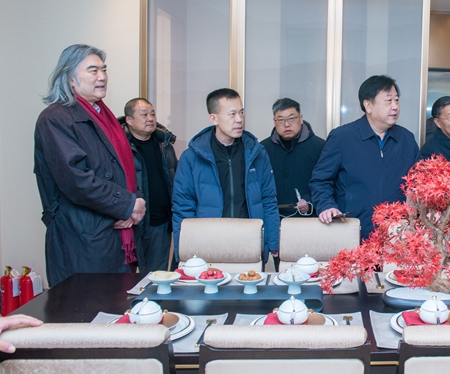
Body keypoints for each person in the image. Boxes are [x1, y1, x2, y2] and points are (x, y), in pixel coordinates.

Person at [34, 44, 146, 286]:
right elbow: (76, 180)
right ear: (70, 79)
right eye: (93, 70)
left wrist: (133, 206)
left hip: (113, 231)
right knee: (86, 304)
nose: (102, 77)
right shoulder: (55, 119)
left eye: (104, 70)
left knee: (119, 302)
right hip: (82, 236)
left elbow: (124, 169)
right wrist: (127, 205)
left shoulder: (103, 116)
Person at [171, 88, 279, 264]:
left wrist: (273, 242)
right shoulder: (192, 157)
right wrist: (182, 250)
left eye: (241, 112)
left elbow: (268, 199)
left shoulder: (257, 153)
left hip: (249, 239)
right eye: (232, 114)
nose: (239, 119)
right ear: (214, 118)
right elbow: (182, 207)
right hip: (207, 242)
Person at [310, 75, 420, 240]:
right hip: (353, 232)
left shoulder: (407, 139)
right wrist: (327, 205)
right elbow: (320, 180)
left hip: (397, 235)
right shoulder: (342, 138)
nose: (395, 107)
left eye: (397, 100)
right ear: (368, 105)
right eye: (388, 101)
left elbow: (421, 182)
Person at [119, 98, 179, 272]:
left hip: (160, 222)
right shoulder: (118, 145)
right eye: (144, 115)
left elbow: (174, 178)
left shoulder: (165, 145)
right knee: (125, 278)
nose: (150, 118)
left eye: (152, 114)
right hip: (131, 222)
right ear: (129, 120)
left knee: (157, 276)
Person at [260, 98, 326, 217]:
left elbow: (328, 183)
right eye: (281, 120)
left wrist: (310, 201)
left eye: (291, 119)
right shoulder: (262, 149)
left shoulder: (320, 147)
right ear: (274, 121)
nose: (287, 124)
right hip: (272, 218)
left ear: (300, 118)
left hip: (309, 219)